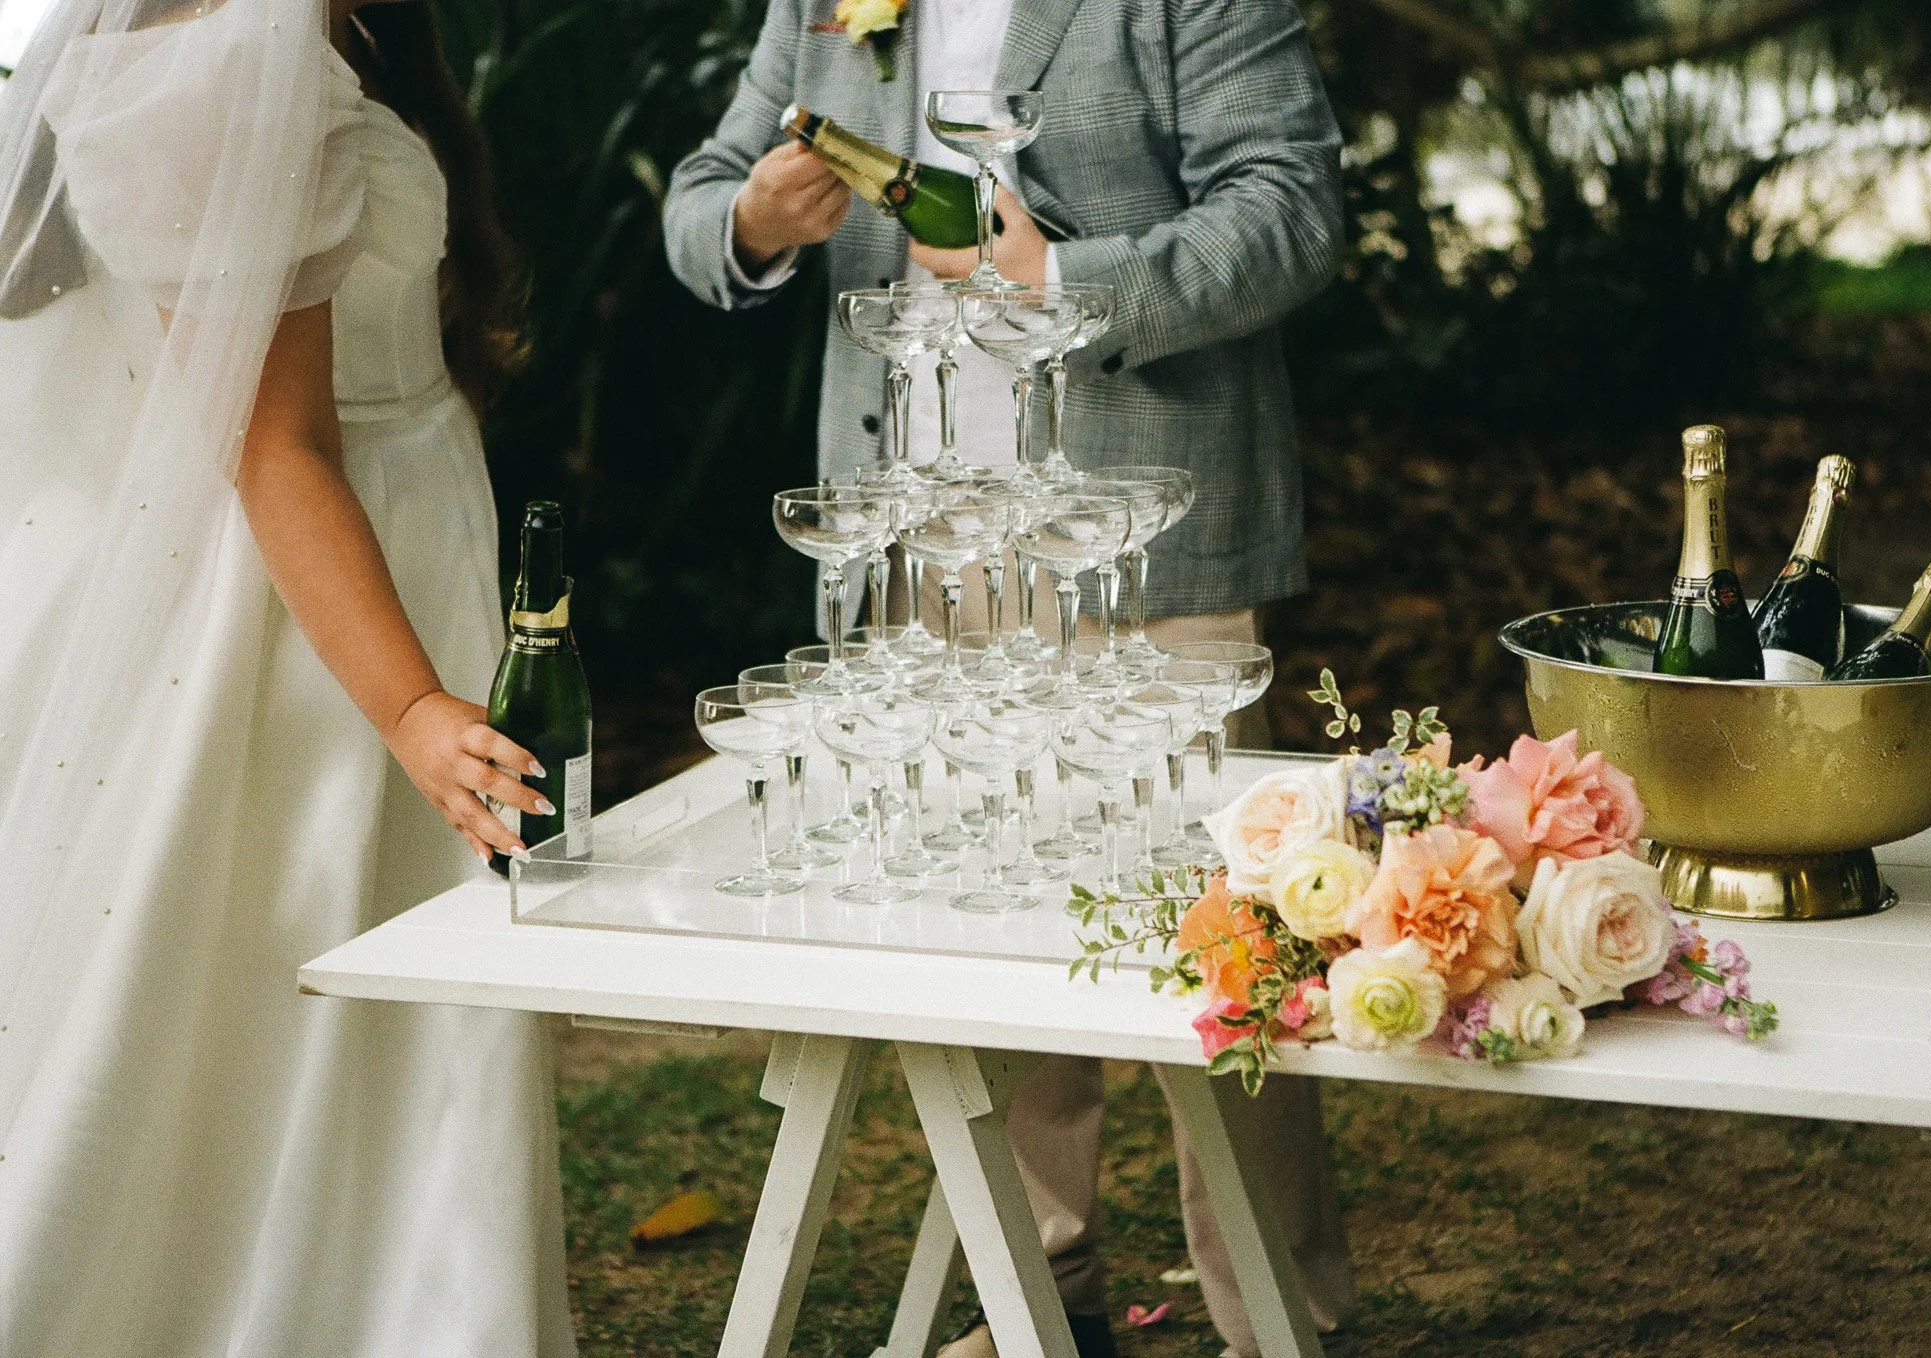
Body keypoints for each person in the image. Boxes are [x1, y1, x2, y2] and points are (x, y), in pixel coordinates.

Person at [663, 2, 1353, 1355]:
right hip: (917, 535)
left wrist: (1065, 282)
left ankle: (1284, 1317)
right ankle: (1040, 1293)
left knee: (1223, 941)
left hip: (1141, 539)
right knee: (982, 919)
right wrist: (753, 218)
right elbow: (698, 205)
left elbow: (1290, 207)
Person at [0, 1, 575, 1353]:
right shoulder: (221, 75)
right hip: (312, 625)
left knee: (356, 1003)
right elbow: (276, 445)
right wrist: (415, 709)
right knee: (283, 975)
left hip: (397, 546)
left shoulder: (334, 36)